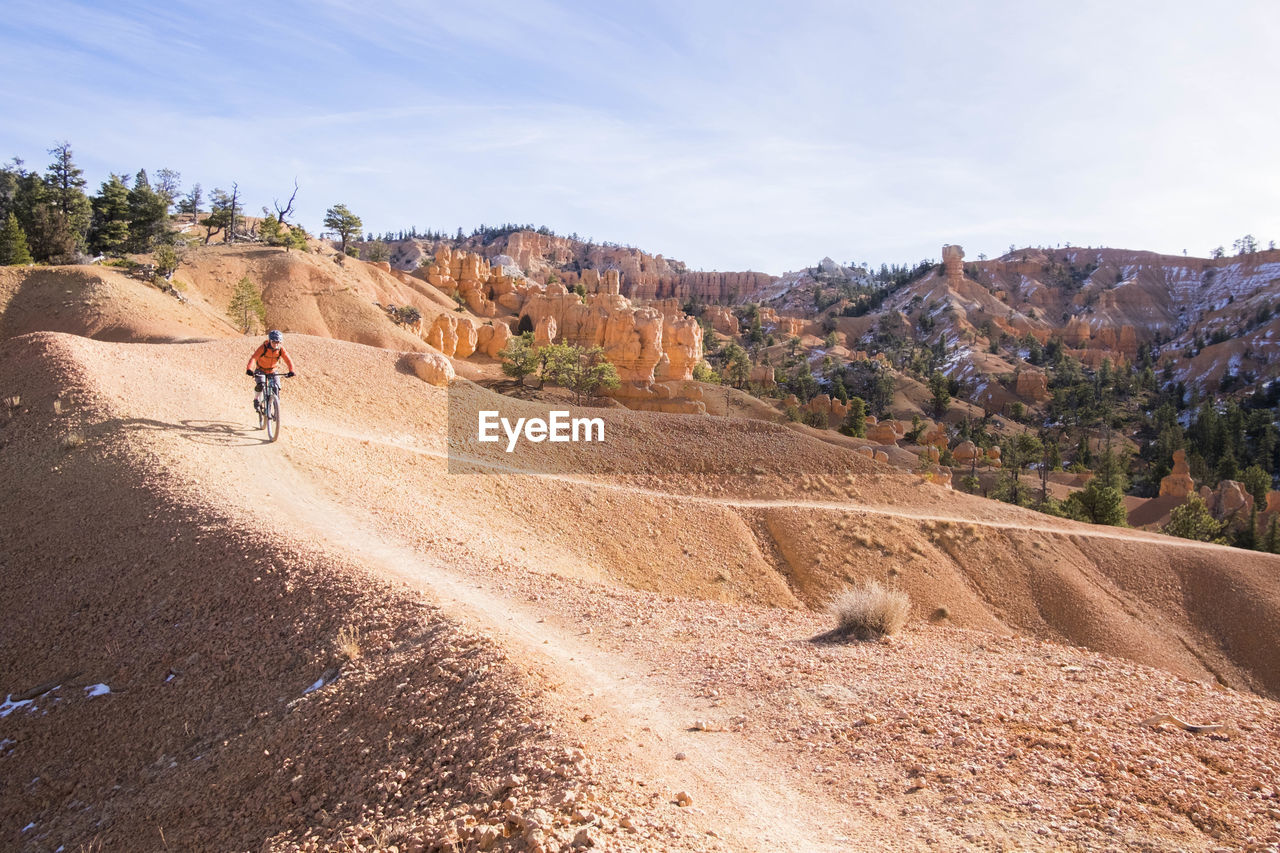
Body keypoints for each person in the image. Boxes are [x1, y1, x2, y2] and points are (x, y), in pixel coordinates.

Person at [245, 330, 296, 412]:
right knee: (261, 384)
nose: (276, 344)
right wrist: (249, 369)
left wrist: (291, 370)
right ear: (270, 340)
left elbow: (288, 360)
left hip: (273, 370)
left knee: (276, 387)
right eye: (274, 342)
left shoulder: (280, 349)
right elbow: (254, 358)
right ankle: (256, 399)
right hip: (261, 369)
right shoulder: (263, 348)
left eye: (278, 342)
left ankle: (275, 408)